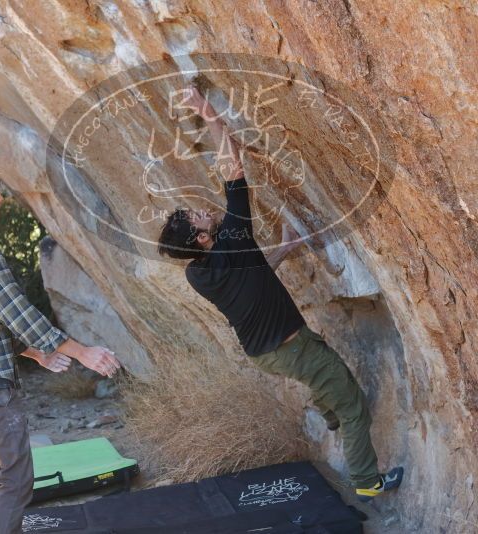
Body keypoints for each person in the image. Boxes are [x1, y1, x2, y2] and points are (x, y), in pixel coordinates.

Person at [157, 87, 403, 503]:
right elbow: (232, 166)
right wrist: (208, 112)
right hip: (290, 346)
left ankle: (327, 413)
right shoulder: (233, 239)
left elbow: (252, 279)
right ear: (201, 238)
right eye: (194, 215)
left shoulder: (199, 274)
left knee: (320, 372)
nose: (202, 208)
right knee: (353, 405)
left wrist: (286, 248)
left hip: (265, 353)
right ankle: (367, 480)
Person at [0, 161, 122, 533]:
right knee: (17, 479)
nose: (0, 198)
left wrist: (37, 354)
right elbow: (18, 312)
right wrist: (81, 351)